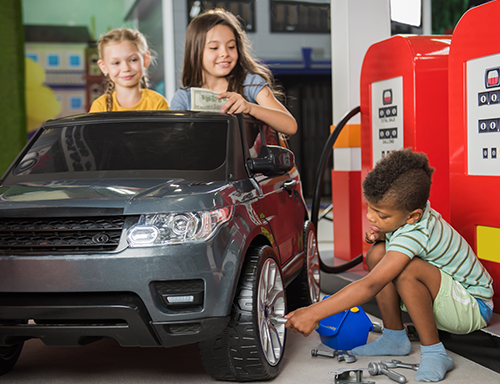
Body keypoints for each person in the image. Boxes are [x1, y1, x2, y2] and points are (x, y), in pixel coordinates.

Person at [285, 148, 494, 382]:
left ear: (413, 216)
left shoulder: (415, 231)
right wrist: (386, 234)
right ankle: (395, 337)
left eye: (382, 215)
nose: (372, 218)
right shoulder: (412, 216)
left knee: (406, 270)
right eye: (370, 208)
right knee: (378, 255)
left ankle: (435, 351)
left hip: (473, 307)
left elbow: (371, 285)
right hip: (447, 297)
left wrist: (314, 313)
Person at [170, 9, 297, 136]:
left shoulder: (250, 84)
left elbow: (290, 126)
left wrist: (250, 108)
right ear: (195, 52)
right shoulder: (183, 98)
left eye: (231, 46)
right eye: (214, 47)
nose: (225, 53)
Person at [90, 28, 169, 112]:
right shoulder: (99, 107)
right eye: (116, 63)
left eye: (133, 60)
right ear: (103, 67)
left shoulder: (158, 103)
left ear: (146, 59)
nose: (126, 68)